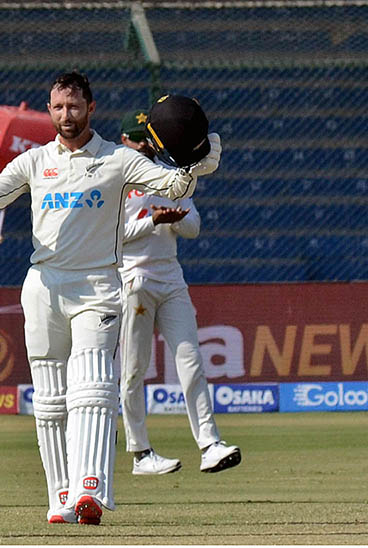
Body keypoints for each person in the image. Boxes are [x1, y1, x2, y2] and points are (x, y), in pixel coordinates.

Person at [0, 72, 221, 525]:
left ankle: (91, 489)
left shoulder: (118, 160)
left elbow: (174, 187)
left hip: (99, 285)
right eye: (58, 107)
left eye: (74, 107)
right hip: (44, 286)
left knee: (93, 389)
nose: (66, 116)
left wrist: (196, 164)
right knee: (49, 400)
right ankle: (60, 497)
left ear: (91, 108)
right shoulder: (34, 162)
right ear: (50, 110)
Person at [117, 103, 241, 476]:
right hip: (133, 280)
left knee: (191, 362)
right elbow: (112, 238)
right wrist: (152, 220)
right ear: (123, 140)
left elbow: (195, 227)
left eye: (148, 140)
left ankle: (210, 445)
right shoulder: (116, 180)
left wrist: (173, 220)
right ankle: (141, 454)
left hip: (171, 279)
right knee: (134, 370)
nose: (144, 147)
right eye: (137, 141)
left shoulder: (170, 175)